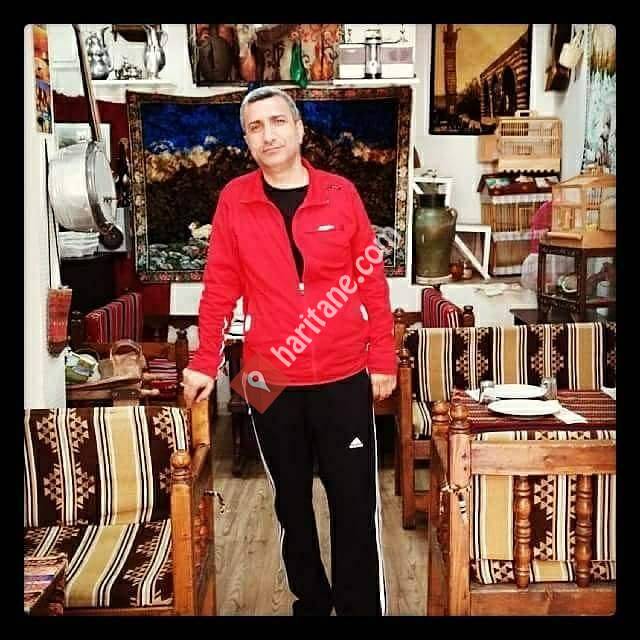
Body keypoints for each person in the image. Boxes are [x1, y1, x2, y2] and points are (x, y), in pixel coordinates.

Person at [182, 86, 397, 616]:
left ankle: (359, 608)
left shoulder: (341, 194)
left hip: (343, 370)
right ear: (247, 139)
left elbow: (371, 283)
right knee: (289, 501)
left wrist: (382, 357)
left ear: (299, 129)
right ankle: (312, 602)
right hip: (267, 374)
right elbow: (219, 286)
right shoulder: (234, 199)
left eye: (278, 122)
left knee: (353, 502)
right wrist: (204, 361)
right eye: (255, 127)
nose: (268, 134)